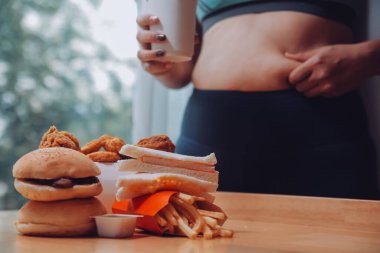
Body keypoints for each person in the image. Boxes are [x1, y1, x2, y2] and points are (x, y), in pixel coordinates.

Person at [135, 0, 380, 199]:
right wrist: (160, 60)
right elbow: (179, 75)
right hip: (209, 132)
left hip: (319, 125)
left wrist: (369, 57)